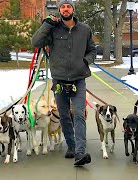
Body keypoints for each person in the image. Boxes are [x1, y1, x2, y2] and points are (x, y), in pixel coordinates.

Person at [31, 0, 96, 166]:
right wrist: (46, 25)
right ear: (59, 10)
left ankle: (81, 152)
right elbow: (36, 42)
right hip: (59, 80)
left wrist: (85, 61)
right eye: (63, 6)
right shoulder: (53, 29)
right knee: (64, 115)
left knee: (79, 114)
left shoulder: (85, 29)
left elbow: (92, 49)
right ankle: (72, 146)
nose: (66, 9)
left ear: (73, 9)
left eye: (69, 6)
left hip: (79, 79)